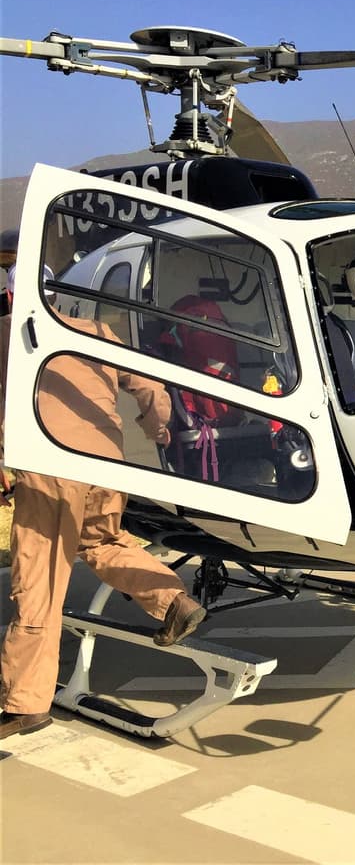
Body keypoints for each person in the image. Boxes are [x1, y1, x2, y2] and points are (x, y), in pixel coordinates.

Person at [0, 264, 206, 740]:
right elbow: (150, 385)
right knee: (104, 541)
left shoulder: (9, 336)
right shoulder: (97, 332)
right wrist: (157, 428)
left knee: (39, 580)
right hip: (105, 468)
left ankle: (24, 701)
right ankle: (174, 601)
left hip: (51, 467)